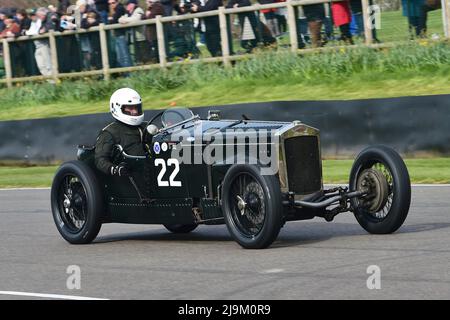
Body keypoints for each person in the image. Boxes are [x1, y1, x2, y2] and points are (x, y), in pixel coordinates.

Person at [95, 88, 146, 177]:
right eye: (130, 108)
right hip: (129, 176)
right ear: (117, 108)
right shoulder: (109, 132)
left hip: (150, 167)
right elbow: (100, 160)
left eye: (136, 107)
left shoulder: (146, 127)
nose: (134, 111)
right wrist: (116, 169)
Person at [108, 0, 133, 68]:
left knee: (125, 55)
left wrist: (110, 19)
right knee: (120, 57)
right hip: (117, 35)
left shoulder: (120, 8)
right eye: (110, 3)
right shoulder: (114, 10)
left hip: (122, 34)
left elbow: (114, 20)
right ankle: (125, 74)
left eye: (113, 3)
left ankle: (129, 74)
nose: (111, 4)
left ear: (117, 2)